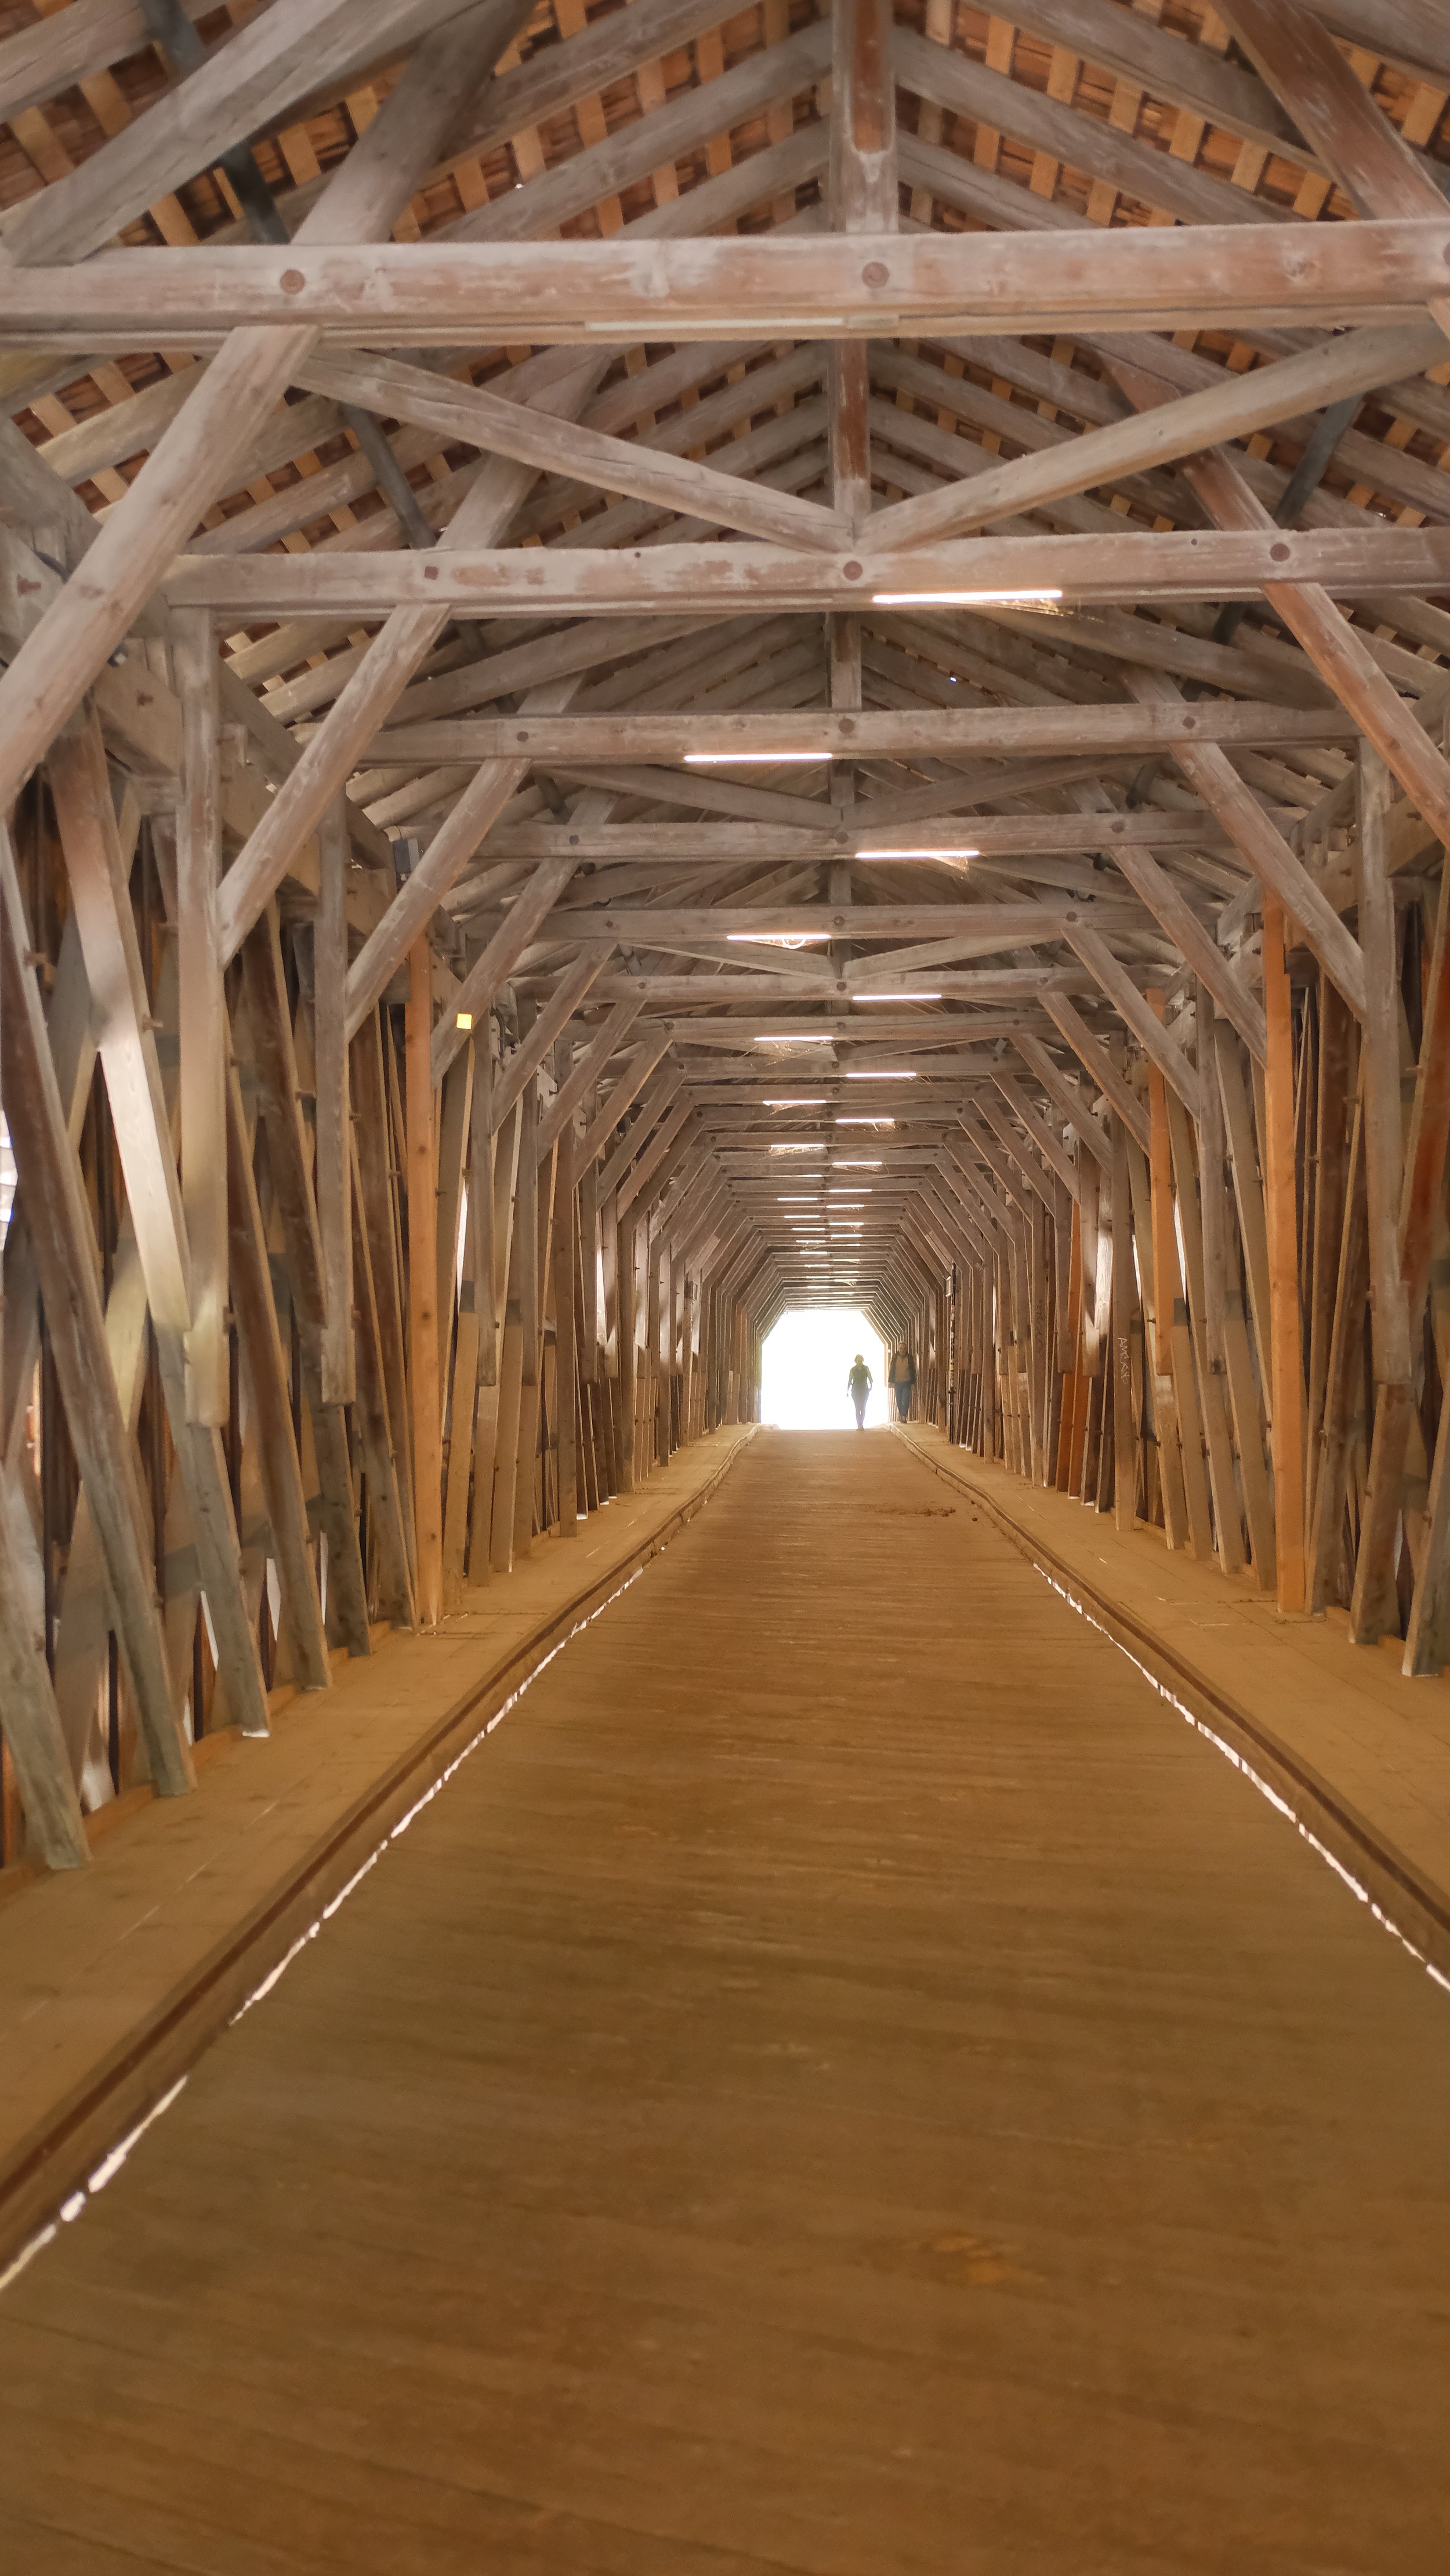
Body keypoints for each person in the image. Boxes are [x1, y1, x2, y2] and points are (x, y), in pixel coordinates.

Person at [888, 1346, 916, 1423]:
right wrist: (890, 1381)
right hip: (897, 1383)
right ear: (898, 1350)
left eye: (904, 1349)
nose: (902, 1350)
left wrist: (913, 1383)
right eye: (901, 1349)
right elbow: (892, 1369)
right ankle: (902, 1414)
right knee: (899, 1400)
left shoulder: (909, 1358)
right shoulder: (895, 1358)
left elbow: (913, 1371)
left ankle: (904, 1416)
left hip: (907, 1382)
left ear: (906, 1349)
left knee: (906, 1399)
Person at [846, 1352, 872, 1430]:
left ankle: (861, 1423)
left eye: (860, 1360)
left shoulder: (866, 1369)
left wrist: (871, 1386)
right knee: (858, 1407)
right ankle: (859, 1424)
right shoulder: (853, 1370)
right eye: (858, 1361)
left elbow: (870, 1379)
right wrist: (847, 1391)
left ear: (862, 1361)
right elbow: (850, 1380)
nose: (859, 1362)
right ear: (856, 1361)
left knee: (863, 1407)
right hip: (856, 1391)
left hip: (864, 1390)